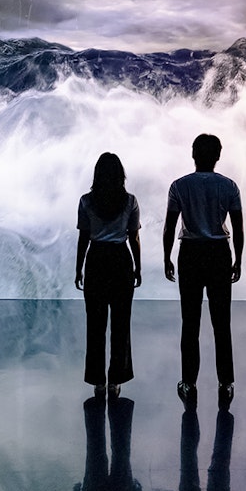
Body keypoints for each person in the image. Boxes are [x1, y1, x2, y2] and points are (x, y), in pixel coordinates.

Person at [163, 134, 243, 405]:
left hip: (191, 254)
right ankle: (226, 383)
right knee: (222, 322)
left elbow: (170, 227)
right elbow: (239, 228)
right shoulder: (229, 186)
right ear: (218, 156)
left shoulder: (179, 186)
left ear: (193, 154)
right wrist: (238, 259)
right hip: (219, 253)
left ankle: (189, 383)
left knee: (190, 322)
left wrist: (166, 257)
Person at [76, 152, 142, 397]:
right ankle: (116, 379)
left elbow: (84, 236)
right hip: (120, 259)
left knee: (95, 323)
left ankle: (97, 381)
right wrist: (138, 266)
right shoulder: (130, 201)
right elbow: (134, 236)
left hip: (96, 259)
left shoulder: (86, 201)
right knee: (121, 323)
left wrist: (78, 268)